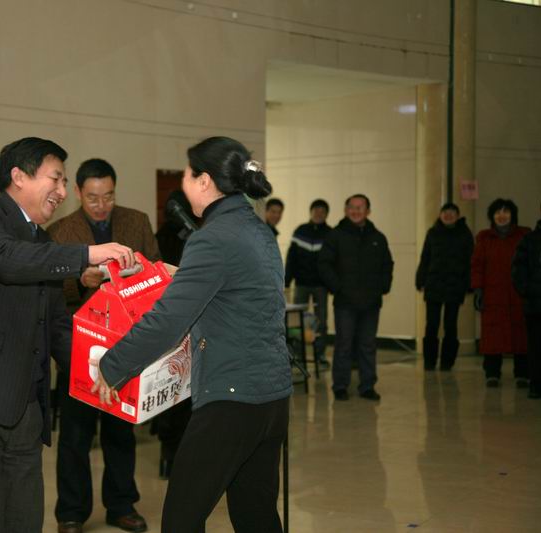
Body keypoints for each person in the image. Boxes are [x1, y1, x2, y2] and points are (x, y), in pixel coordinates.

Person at [0, 137, 136, 533]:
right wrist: (88, 254)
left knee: (24, 521)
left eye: (64, 182)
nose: (62, 191)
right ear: (18, 176)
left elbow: (57, 326)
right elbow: (6, 259)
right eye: (56, 178)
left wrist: (104, 371)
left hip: (23, 413)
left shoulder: (43, 243)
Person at [94, 136, 292, 533]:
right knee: (255, 516)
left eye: (186, 174)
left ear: (204, 181)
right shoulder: (256, 230)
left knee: (181, 519)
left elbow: (167, 322)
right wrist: (177, 274)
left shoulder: (212, 238)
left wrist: (111, 366)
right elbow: (237, 290)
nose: (182, 183)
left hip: (231, 399)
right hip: (271, 398)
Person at [47, 158, 159, 533]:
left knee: (120, 431)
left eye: (108, 196)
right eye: (93, 198)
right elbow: (50, 292)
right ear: (78, 193)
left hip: (126, 342)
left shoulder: (136, 221)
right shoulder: (60, 231)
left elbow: (155, 270)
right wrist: (81, 280)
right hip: (78, 346)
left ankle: (122, 504)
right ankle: (71, 512)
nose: (101, 205)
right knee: (75, 435)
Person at [318, 194, 394, 402]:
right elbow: (324, 264)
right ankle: (340, 386)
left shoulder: (378, 238)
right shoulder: (335, 235)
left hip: (371, 302)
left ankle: (367, 386)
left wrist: (383, 287)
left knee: (368, 345)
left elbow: (387, 265)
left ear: (368, 211)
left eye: (360, 207)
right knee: (343, 344)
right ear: (345, 210)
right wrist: (338, 287)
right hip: (345, 302)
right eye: (352, 207)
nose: (355, 211)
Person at [151, 189, 196, 480]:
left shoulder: (200, 234)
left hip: (194, 323)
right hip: (171, 323)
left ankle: (182, 456)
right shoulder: (165, 237)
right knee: (173, 394)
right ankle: (170, 455)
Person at [471, 198, 530, 388]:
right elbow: (477, 266)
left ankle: (522, 373)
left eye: (506, 212)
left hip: (518, 293)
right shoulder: (484, 237)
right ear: (492, 216)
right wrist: (478, 289)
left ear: (513, 215)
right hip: (492, 294)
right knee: (492, 335)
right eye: (497, 212)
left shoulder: (524, 235)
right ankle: (492, 373)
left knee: (521, 334)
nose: (501, 216)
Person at [415, 203, 474, 371]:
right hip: (434, 284)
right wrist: (420, 279)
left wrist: (469, 284)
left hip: (455, 285)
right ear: (440, 215)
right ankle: (429, 361)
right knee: (431, 324)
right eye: (445, 212)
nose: (448, 215)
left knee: (451, 325)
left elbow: (470, 261)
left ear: (458, 215)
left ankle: (447, 362)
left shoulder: (465, 234)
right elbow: (425, 258)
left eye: (452, 212)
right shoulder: (432, 233)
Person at [513, 195, 541, 398]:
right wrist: (526, 290)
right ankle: (537, 385)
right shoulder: (529, 239)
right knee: (536, 347)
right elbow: (518, 268)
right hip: (536, 302)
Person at [285, 198, 332, 369]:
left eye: (322, 211)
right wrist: (287, 281)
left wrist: (333, 284)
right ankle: (296, 356)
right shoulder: (300, 231)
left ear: (326, 214)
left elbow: (334, 261)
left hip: (321, 286)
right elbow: (291, 258)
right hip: (301, 285)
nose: (318, 214)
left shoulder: (331, 234)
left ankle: (320, 356)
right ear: (311, 212)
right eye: (316, 210)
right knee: (296, 321)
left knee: (321, 322)